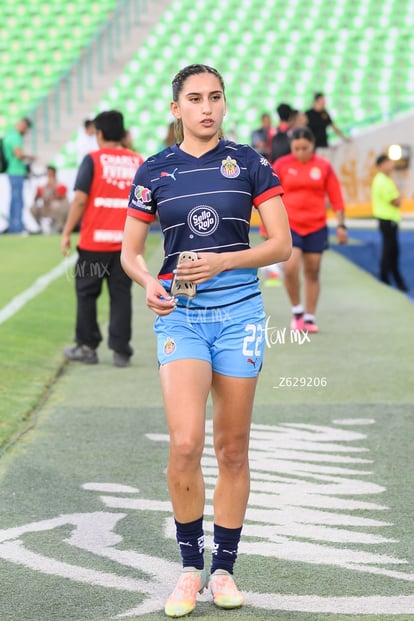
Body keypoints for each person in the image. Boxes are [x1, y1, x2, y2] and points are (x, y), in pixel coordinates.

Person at [120, 64, 291, 617]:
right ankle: (190, 567)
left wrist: (225, 261)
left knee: (232, 448)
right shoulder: (154, 170)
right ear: (176, 109)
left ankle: (224, 571)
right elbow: (130, 253)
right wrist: (149, 281)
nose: (207, 107)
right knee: (187, 442)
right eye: (194, 98)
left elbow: (281, 244)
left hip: (240, 312)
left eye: (215, 97)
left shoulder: (249, 162)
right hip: (181, 317)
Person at [61, 110, 144, 367]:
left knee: (86, 294)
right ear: (122, 134)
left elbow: (80, 199)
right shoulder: (137, 162)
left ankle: (87, 346)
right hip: (125, 246)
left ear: (99, 134)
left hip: (93, 244)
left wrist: (66, 231)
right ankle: (121, 350)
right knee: (121, 295)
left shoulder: (93, 160)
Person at [272, 126, 348, 333]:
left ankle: (310, 316)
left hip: (316, 226)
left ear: (312, 146)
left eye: (305, 148)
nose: (300, 152)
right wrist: (268, 226)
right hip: (291, 226)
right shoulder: (281, 164)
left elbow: (336, 196)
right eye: (296, 148)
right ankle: (297, 311)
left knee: (313, 271)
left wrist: (341, 225)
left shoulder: (323, 166)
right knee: (290, 268)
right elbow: (269, 196)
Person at [371, 154, 408, 292]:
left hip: (388, 219)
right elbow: (395, 201)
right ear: (381, 165)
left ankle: (393, 280)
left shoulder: (384, 179)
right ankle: (386, 279)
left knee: (391, 251)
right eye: (388, 162)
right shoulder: (382, 181)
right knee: (390, 251)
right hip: (387, 220)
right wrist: (399, 196)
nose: (391, 165)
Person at [2, 117, 35, 234]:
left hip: (11, 171)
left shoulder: (9, 135)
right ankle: (17, 227)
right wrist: (30, 157)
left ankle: (13, 225)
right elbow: (19, 154)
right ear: (22, 126)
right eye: (26, 128)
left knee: (14, 200)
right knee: (18, 200)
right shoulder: (16, 137)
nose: (26, 131)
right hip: (16, 172)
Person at [30, 165, 70, 233]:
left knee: (55, 205)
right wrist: (38, 193)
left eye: (51, 173)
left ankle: (59, 226)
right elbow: (36, 198)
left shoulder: (60, 184)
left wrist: (51, 188)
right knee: (33, 208)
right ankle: (41, 227)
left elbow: (59, 196)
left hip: (58, 207)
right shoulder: (43, 185)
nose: (49, 175)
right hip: (47, 207)